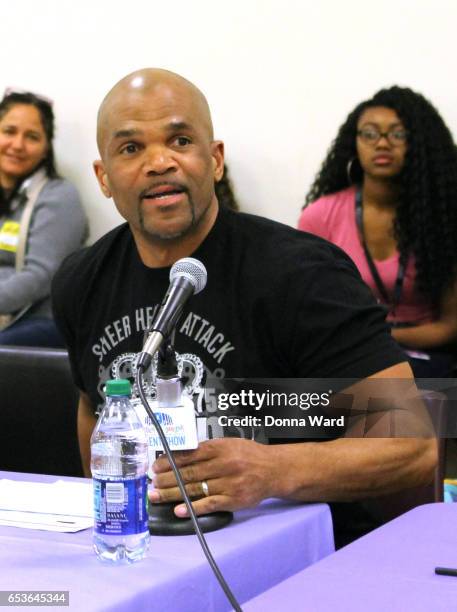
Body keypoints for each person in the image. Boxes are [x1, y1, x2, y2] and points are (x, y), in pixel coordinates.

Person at [52, 69, 436, 546]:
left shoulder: (303, 274)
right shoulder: (81, 279)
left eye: (181, 139)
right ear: (103, 178)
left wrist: (272, 470)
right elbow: (94, 408)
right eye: (131, 148)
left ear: (214, 161)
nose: (159, 162)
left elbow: (413, 446)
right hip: (148, 552)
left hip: (303, 557)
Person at [298, 86, 457, 378]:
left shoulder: (445, 215)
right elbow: (311, 313)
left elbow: (451, 325)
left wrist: (381, 339)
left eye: (397, 134)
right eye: (370, 134)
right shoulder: (320, 216)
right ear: (353, 143)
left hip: (429, 361)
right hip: (347, 356)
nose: (382, 143)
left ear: (419, 143)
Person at [0, 90, 87, 347]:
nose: (17, 144)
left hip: (39, 319)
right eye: (9, 132)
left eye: (32, 137)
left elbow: (41, 276)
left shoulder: (60, 197)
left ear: (46, 148)